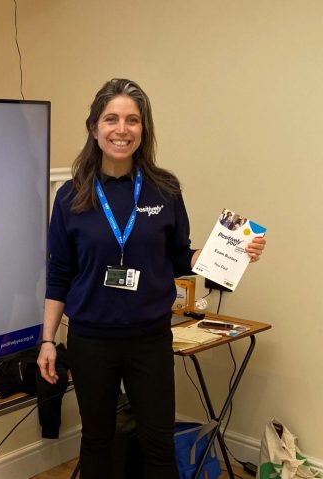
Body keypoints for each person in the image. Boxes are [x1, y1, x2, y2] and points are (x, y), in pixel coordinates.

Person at [36, 78, 265, 478]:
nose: (121, 129)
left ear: (144, 128)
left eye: (132, 120)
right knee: (97, 441)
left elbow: (179, 256)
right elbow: (59, 272)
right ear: (94, 127)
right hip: (91, 339)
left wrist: (231, 252)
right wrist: (47, 341)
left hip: (150, 339)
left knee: (158, 446)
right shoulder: (71, 196)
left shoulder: (164, 189)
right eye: (111, 119)